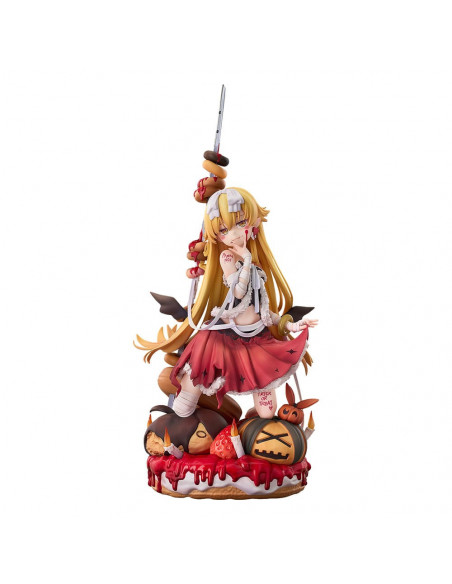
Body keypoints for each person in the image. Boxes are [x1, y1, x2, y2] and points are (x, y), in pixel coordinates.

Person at [136, 187, 318, 418]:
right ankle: (186, 407)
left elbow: (264, 310)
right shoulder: (228, 257)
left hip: (258, 337)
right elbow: (238, 292)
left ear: (255, 223)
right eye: (223, 230)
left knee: (267, 413)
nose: (233, 234)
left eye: (240, 223)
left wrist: (292, 325)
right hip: (227, 334)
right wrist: (247, 259)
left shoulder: (257, 267)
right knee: (191, 389)